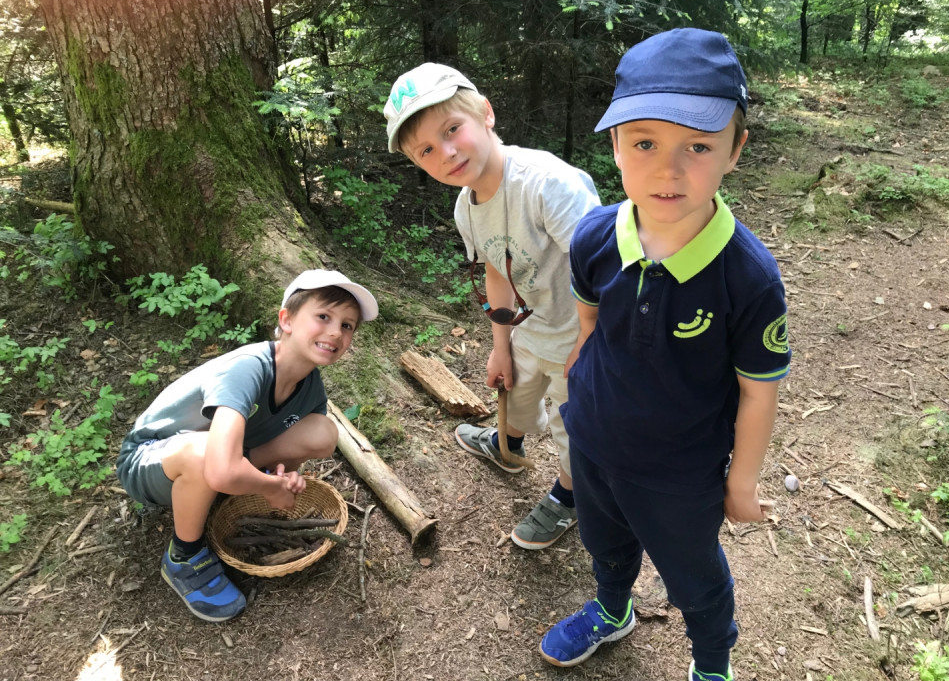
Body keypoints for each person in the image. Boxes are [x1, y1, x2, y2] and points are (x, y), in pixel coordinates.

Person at [538, 28, 791, 681]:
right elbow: (589, 320)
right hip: (595, 444)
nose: (668, 169)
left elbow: (759, 389)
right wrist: (579, 389)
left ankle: (712, 664)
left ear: (736, 149)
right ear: (615, 146)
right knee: (605, 541)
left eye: (698, 146)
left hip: (681, 473)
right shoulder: (595, 237)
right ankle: (613, 608)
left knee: (694, 577)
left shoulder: (748, 277)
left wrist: (741, 484)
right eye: (645, 142)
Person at [384, 63, 600, 549]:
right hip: (531, 326)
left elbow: (605, 272)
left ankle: (572, 495)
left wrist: (589, 345)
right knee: (516, 392)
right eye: (426, 150)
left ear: (486, 113)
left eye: (451, 129)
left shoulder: (547, 184)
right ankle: (508, 444)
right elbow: (497, 272)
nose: (446, 152)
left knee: (576, 427)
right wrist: (501, 345)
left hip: (584, 334)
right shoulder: (467, 208)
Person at [116, 269, 378, 622]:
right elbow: (218, 464)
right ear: (286, 320)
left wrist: (282, 477)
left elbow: (295, 446)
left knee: (323, 432)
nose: (335, 332)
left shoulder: (310, 385)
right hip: (151, 460)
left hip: (222, 457)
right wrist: (270, 488)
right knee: (208, 457)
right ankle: (184, 556)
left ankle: (231, 489)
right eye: (323, 317)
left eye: (347, 325)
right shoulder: (247, 368)